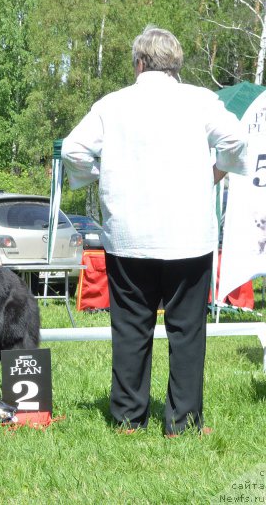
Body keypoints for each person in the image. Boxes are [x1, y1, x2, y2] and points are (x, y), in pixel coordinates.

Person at [61, 26, 248, 436]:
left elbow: (73, 150)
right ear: (176, 64)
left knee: (130, 327)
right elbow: (235, 139)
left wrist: (101, 175)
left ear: (139, 63)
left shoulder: (112, 104)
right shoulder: (201, 100)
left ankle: (129, 419)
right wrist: (213, 173)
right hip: (188, 236)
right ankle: (183, 422)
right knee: (187, 331)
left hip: (129, 236)